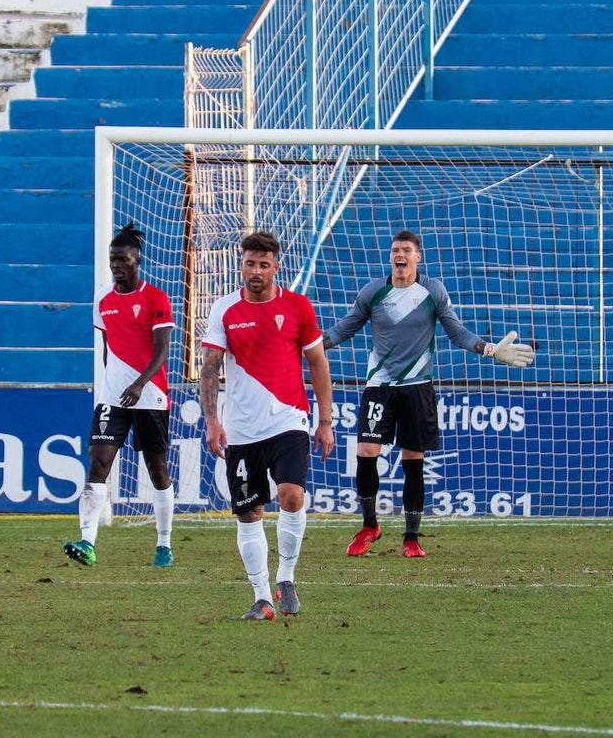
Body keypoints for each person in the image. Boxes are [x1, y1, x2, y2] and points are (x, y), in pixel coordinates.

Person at [323, 230, 534, 559]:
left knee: (413, 461)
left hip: (418, 389)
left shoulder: (432, 291)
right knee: (365, 451)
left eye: (406, 250)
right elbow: (343, 328)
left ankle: (411, 537)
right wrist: (308, 345)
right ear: (390, 257)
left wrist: (490, 349)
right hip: (380, 387)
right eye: (395, 250)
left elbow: (457, 331)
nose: (399, 255)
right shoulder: (373, 292)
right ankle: (369, 526)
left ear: (418, 257)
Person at [199, 231, 335, 621]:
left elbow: (318, 364)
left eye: (263, 264)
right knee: (249, 513)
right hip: (241, 430)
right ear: (240, 264)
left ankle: (286, 577)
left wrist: (324, 422)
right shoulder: (224, 309)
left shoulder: (297, 307)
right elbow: (209, 368)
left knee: (292, 495)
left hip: (289, 420)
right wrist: (212, 420)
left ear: (277, 266)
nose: (255, 271)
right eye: (249, 263)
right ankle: (262, 598)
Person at [64, 222, 176, 568]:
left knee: (156, 469)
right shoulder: (102, 298)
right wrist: (108, 385)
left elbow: (162, 351)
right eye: (112, 259)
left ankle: (163, 544)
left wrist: (140, 383)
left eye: (122, 259)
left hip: (150, 394)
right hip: (113, 397)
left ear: (136, 260)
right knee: (98, 462)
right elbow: (106, 348)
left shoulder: (155, 298)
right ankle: (88, 542)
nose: (116, 265)